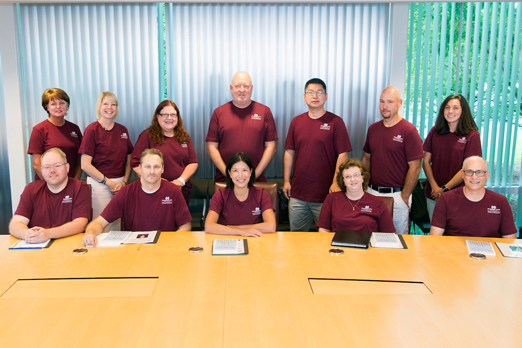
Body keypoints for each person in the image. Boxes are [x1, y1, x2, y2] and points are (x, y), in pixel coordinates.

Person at [83, 149, 192, 246]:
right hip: (134, 249)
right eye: (147, 166)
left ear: (163, 169)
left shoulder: (173, 191)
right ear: (140, 168)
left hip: (163, 247)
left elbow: (186, 226)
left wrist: (168, 244)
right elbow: (99, 222)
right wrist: (90, 233)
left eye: (156, 167)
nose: (152, 171)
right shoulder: (126, 192)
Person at [283, 78, 352, 231]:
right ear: (304, 96)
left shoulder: (336, 122)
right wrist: (287, 181)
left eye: (319, 92)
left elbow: (343, 155)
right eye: (311, 92)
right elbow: (289, 152)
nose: (315, 96)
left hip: (327, 194)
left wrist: (335, 182)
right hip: (298, 195)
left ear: (326, 96)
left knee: (327, 240)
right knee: (297, 240)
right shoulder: (296, 122)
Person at [361, 86, 423, 234]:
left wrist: (404, 197)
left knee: (397, 240)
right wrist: (363, 188)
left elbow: (415, 167)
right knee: (370, 235)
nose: (385, 106)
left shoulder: (409, 131)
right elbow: (366, 159)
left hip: (397, 196)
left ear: (399, 103)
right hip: (372, 193)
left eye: (390, 102)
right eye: (382, 102)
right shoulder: (373, 129)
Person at [206, 71, 278, 182]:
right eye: (237, 86)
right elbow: (211, 148)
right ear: (231, 88)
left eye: (246, 86)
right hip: (225, 180)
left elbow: (271, 147)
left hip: (255, 180)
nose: (242, 90)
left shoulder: (264, 112)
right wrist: (228, 174)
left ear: (251, 88)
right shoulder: (219, 112)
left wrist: (254, 175)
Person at [9, 148, 91, 243]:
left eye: (57, 165)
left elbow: (80, 224)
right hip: (37, 247)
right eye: (47, 167)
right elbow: (15, 224)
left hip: (69, 246)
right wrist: (27, 234)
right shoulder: (31, 189)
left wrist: (48, 234)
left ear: (67, 167)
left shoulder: (80, 188)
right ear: (42, 170)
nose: (52, 170)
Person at [79, 92, 133, 232]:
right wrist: (108, 182)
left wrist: (125, 182)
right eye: (106, 104)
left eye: (113, 104)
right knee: (102, 228)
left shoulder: (122, 130)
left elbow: (129, 159)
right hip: (99, 186)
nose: (110, 107)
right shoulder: (92, 130)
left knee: (119, 227)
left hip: (121, 185)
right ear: (99, 106)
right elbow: (85, 164)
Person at [422, 94, 482, 221]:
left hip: (459, 195)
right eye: (447, 107)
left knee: (455, 235)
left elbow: (468, 169)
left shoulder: (472, 135)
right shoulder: (435, 131)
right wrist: (435, 187)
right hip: (433, 194)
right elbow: (426, 161)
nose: (450, 111)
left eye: (455, 108)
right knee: (436, 234)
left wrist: (444, 189)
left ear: (463, 111)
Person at [430, 156, 516, 238]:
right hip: (455, 251)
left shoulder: (500, 202)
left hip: (489, 252)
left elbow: (510, 240)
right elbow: (435, 238)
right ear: (462, 174)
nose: (474, 177)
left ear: (487, 175)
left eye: (479, 172)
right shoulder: (446, 199)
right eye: (469, 172)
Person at [131, 100, 198, 205]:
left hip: (180, 190)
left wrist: (180, 181)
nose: (169, 118)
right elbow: (135, 163)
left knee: (179, 220)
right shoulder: (147, 136)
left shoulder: (184, 136)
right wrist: (158, 181)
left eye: (173, 115)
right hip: (154, 189)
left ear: (177, 117)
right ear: (158, 116)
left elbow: (193, 162)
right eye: (165, 114)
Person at [205, 152, 276, 237]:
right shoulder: (220, 195)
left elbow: (271, 226)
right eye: (235, 171)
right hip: (228, 242)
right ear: (230, 173)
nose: (240, 175)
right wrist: (240, 231)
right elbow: (209, 226)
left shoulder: (262, 195)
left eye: (244, 170)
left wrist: (238, 229)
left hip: (256, 241)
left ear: (251, 172)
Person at [317, 159, 395, 233]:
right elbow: (324, 230)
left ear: (363, 178)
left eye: (356, 175)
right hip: (338, 245)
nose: (352, 179)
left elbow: (388, 234)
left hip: (368, 246)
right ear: (343, 181)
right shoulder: (331, 199)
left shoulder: (377, 203)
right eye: (348, 176)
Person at [28, 88, 83, 181]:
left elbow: (80, 160)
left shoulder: (74, 129)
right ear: (47, 107)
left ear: (67, 105)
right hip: (47, 184)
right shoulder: (39, 129)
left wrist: (74, 182)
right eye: (53, 104)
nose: (58, 106)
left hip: (70, 184)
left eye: (62, 103)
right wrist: (53, 184)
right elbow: (36, 163)